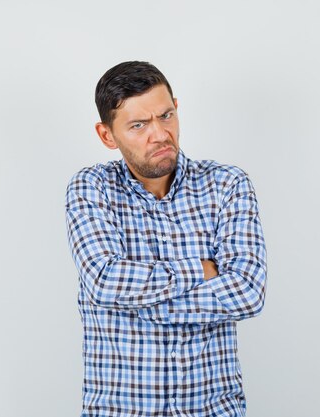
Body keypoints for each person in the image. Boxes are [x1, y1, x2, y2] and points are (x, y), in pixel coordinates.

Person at [65, 61, 267, 417]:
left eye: (166, 115)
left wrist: (137, 307)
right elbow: (104, 282)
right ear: (107, 135)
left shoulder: (228, 185)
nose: (159, 134)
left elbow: (247, 292)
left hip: (213, 410)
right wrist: (202, 271)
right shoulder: (90, 188)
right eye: (138, 125)